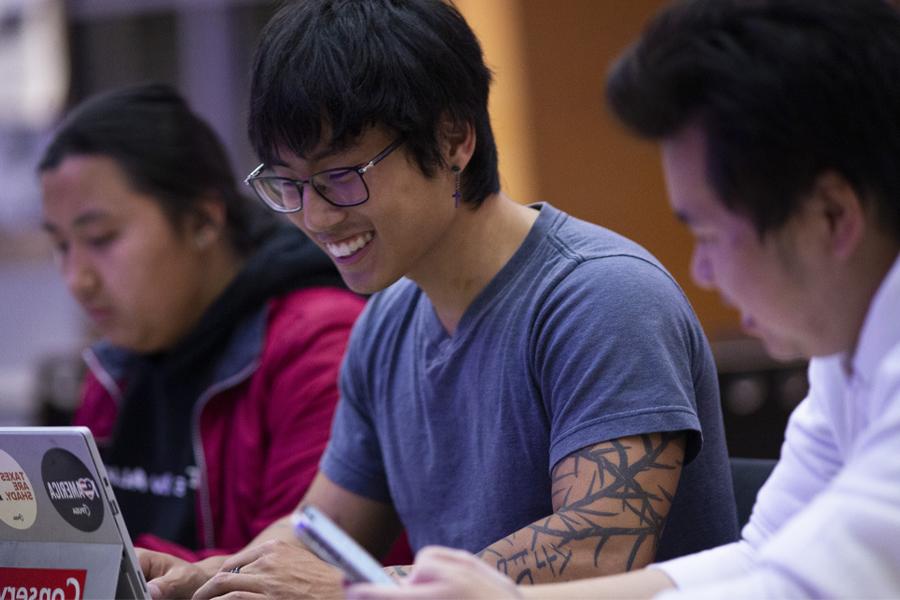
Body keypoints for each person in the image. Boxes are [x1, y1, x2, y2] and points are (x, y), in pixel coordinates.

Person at [143, 1, 738, 597]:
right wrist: (214, 575)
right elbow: (320, 532)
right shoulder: (387, 322)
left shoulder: (601, 296)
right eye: (288, 185)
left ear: (453, 138)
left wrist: (354, 590)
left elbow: (595, 550)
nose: (315, 217)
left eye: (342, 177)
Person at [345, 0, 900, 598]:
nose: (702, 270)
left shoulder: (602, 291)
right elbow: (765, 553)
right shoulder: (845, 357)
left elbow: (792, 589)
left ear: (832, 214)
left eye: (709, 233)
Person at [38, 84, 366, 563]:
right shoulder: (116, 363)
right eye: (61, 246)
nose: (77, 280)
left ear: (202, 221)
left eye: (101, 238)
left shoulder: (321, 343)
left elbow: (299, 575)